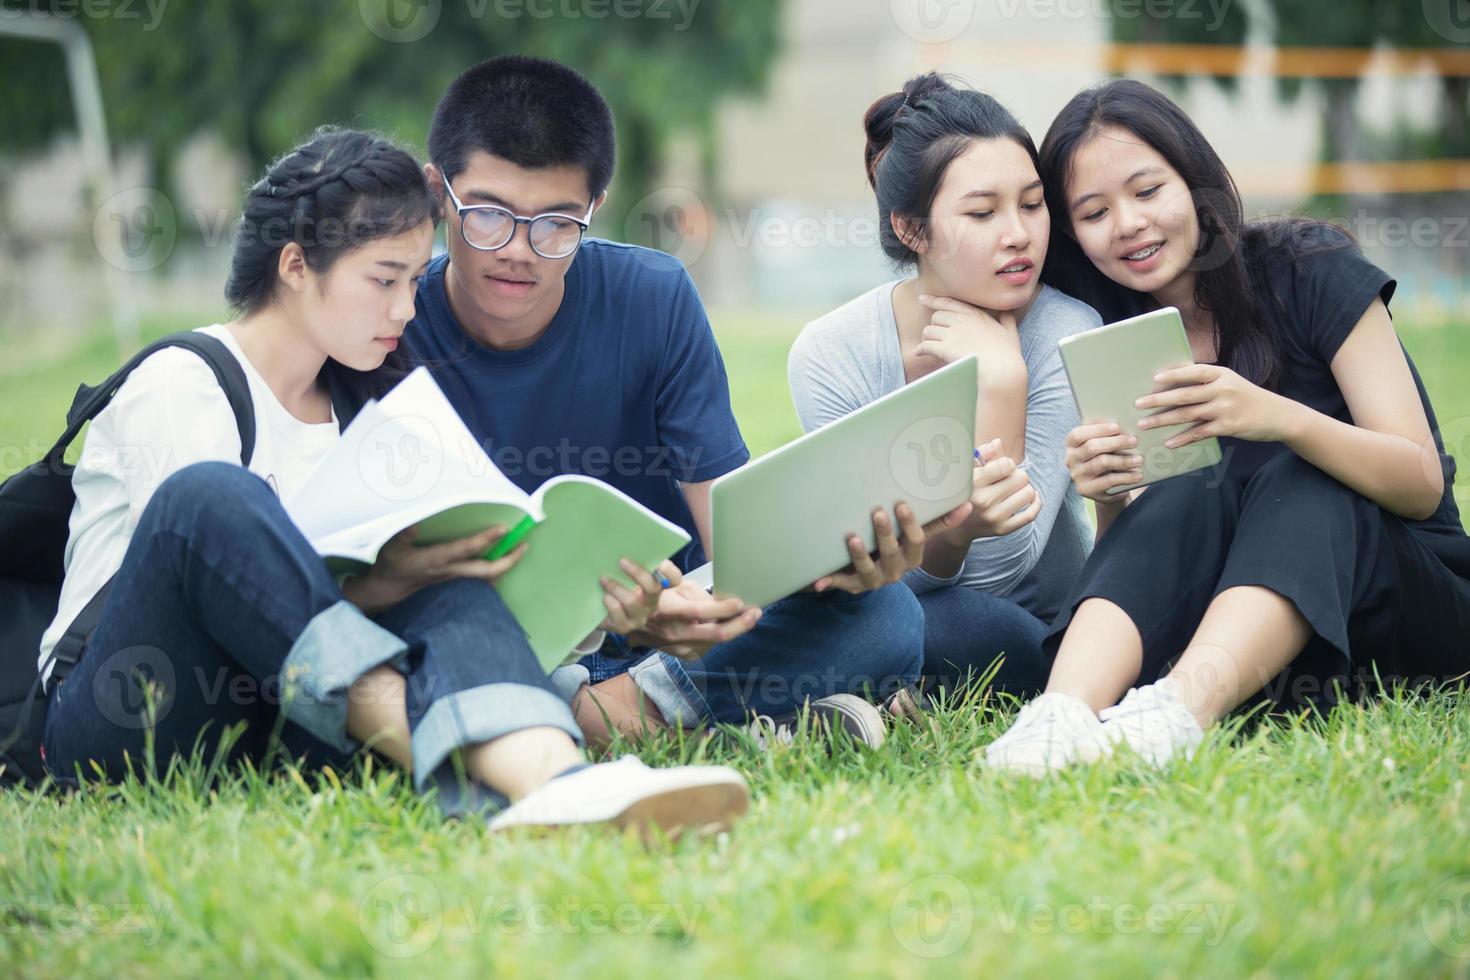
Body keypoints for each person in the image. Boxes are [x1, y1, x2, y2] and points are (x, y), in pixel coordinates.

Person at [39, 127, 749, 835]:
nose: (407, 310)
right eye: (383, 280)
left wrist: (595, 594)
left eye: (414, 281)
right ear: (294, 265)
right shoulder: (184, 381)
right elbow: (215, 595)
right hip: (123, 727)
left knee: (451, 576)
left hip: (275, 734)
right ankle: (466, 773)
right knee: (210, 499)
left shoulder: (371, 411)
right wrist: (380, 587)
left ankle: (558, 782)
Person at [406, 56, 970, 747]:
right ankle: (707, 724)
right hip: (503, 642)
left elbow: (734, 543)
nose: (520, 250)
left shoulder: (652, 296)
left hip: (669, 639)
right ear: (439, 194)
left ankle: (612, 716)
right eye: (489, 216)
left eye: (556, 222)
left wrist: (827, 571)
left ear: (595, 207)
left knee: (887, 616)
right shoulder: (390, 326)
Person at [984, 79, 1470, 773]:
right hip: (1256, 639)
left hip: (1406, 603)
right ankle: (1059, 718)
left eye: (1148, 191)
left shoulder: (1309, 267)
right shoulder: (1118, 335)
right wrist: (1109, 491)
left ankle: (1180, 713)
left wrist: (1279, 420)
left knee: (1302, 474)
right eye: (1093, 213)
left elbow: (1422, 485)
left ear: (1194, 182)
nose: (1127, 224)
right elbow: (1160, 559)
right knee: (1189, 489)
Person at [789, 73, 1101, 699]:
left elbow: (1000, 571)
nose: (1018, 234)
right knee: (835, 612)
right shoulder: (833, 353)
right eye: (983, 212)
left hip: (1022, 629)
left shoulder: (1066, 332)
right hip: (883, 613)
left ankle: (840, 699)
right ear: (912, 230)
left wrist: (1003, 383)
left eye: (1033, 204)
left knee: (970, 627)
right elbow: (864, 575)